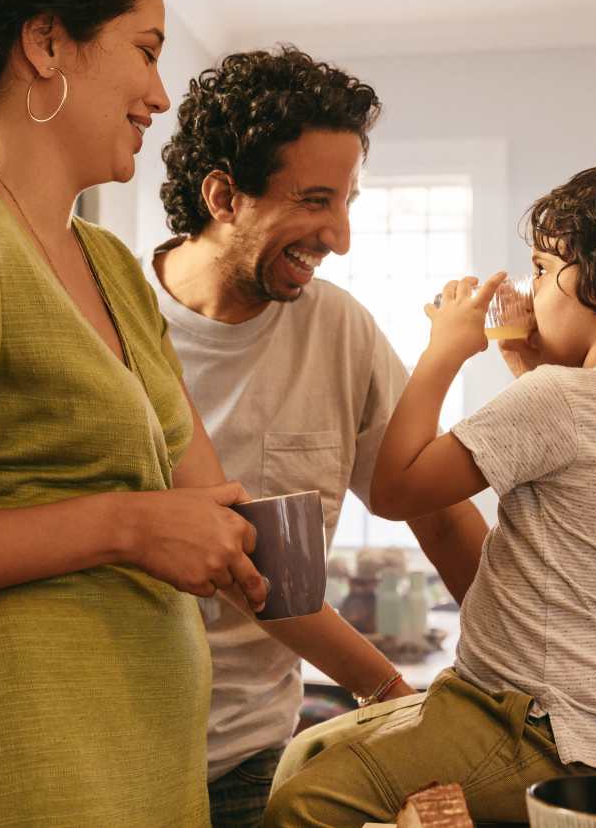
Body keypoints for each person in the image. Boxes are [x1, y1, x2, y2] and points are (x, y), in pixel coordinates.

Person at [0, 0, 274, 825]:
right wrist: (123, 527)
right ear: (48, 41)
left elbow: (202, 499)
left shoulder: (108, 263)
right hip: (10, 776)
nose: (161, 95)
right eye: (145, 51)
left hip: (134, 772)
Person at [264, 151, 596, 826]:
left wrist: (443, 350)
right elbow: (584, 463)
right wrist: (528, 362)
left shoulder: (558, 400)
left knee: (303, 799)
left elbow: (398, 489)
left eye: (546, 271)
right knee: (310, 749)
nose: (532, 287)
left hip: (524, 721)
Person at [153, 46, 488, 826]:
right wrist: (391, 694)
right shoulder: (116, 319)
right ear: (223, 195)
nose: (338, 235)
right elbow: (251, 567)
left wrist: (555, 684)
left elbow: (436, 511)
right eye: (312, 200)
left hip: (252, 757)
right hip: (115, 747)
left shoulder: (340, 329)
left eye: (347, 202)